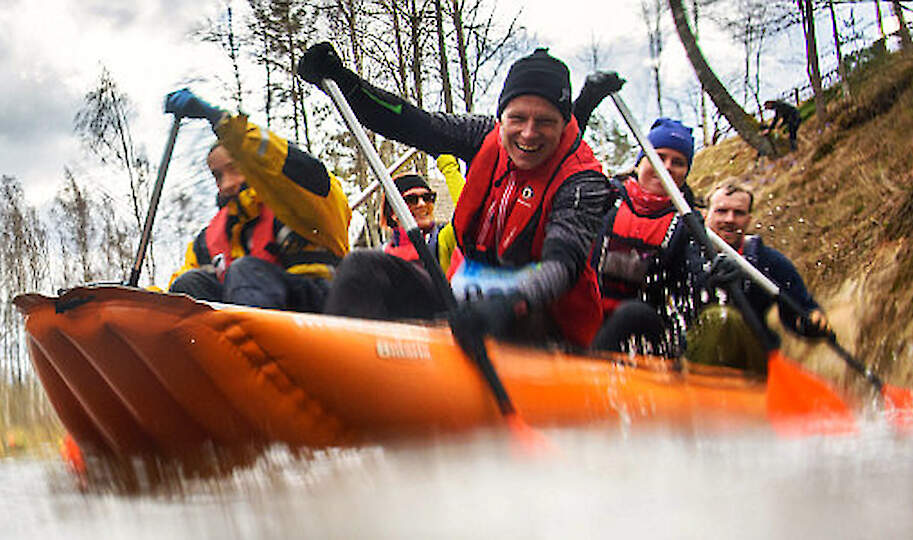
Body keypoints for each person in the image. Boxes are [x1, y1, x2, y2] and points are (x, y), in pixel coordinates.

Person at [298, 44, 614, 348]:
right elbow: (411, 123)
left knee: (511, 319)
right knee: (364, 268)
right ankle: (342, 371)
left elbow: (562, 265)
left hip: (540, 318)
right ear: (502, 117)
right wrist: (343, 83)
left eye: (545, 121)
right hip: (465, 300)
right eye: (517, 118)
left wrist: (506, 304)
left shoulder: (583, 179)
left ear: (564, 125)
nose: (528, 134)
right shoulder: (483, 134)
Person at [164, 89, 351, 312]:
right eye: (218, 175)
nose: (227, 184)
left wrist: (222, 123)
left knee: (245, 270)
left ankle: (257, 344)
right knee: (187, 284)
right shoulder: (208, 240)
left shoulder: (303, 196)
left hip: (316, 312)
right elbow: (180, 281)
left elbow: (278, 161)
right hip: (245, 320)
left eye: (235, 168)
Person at [684, 182, 832, 372]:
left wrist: (813, 322)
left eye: (739, 213)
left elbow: (801, 310)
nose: (730, 219)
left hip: (749, 358)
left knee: (723, 319)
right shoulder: (687, 253)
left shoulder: (768, 261)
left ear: (749, 219)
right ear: (706, 215)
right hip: (693, 351)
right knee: (715, 319)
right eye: (721, 211)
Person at [588, 117, 704, 357]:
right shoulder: (605, 197)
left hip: (644, 326)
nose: (667, 167)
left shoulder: (688, 224)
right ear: (640, 162)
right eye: (659, 158)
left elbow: (694, 280)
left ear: (685, 173)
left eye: (678, 162)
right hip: (589, 310)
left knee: (632, 313)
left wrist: (712, 276)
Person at [323, 163, 462, 320]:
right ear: (394, 213)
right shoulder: (383, 254)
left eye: (428, 198)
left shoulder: (443, 239)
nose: (422, 204)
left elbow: (467, 209)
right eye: (412, 200)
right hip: (393, 318)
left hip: (440, 309)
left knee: (359, 261)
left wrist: (447, 163)